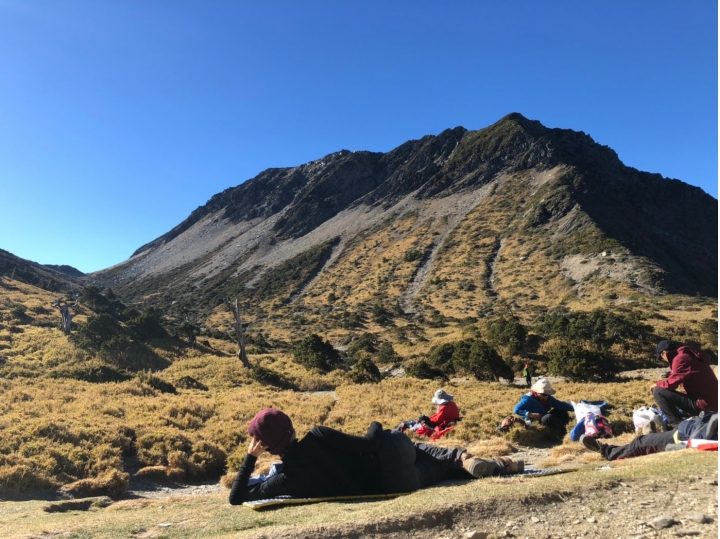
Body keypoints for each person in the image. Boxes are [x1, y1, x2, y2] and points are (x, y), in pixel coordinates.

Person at [229, 408, 523, 504]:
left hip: (393, 484)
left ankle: (469, 465)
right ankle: (467, 459)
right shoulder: (318, 436)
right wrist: (377, 424)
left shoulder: (288, 480)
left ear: (264, 445)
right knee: (420, 449)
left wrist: (250, 459)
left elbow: (237, 496)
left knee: (439, 473)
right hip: (392, 451)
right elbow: (370, 443)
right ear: (290, 427)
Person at [579, 412, 717, 461]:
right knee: (652, 439)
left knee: (640, 443)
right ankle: (652, 436)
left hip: (686, 436)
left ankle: (606, 451)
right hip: (689, 428)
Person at [651, 340, 718, 427]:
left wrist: (657, 384)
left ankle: (678, 426)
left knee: (658, 391)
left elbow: (671, 384)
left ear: (664, 353)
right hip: (713, 401)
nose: (663, 360)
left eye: (661, 358)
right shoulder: (689, 356)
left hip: (706, 405)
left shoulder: (680, 359)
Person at [396, 389, 460, 438]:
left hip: (444, 425)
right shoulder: (451, 403)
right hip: (450, 423)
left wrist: (426, 421)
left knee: (411, 423)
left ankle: (396, 433)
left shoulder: (444, 407)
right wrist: (430, 418)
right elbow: (439, 416)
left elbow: (438, 420)